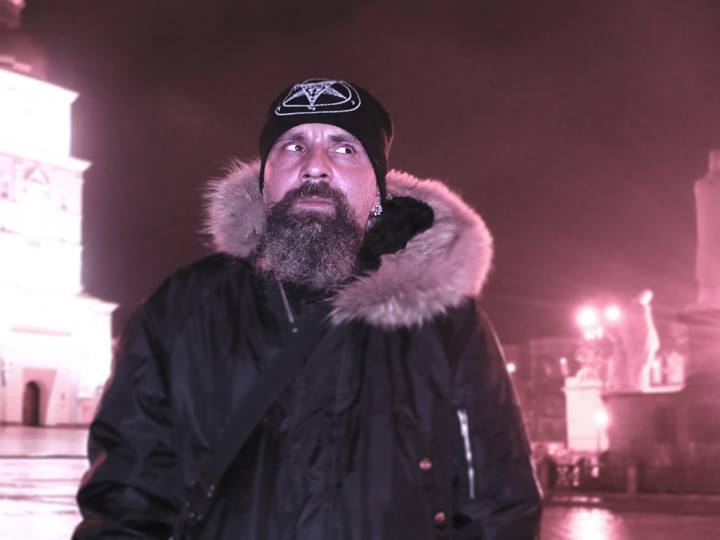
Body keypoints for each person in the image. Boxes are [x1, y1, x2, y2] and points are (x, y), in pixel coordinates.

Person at [74, 78, 542, 539]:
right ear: (265, 181)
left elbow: (499, 507)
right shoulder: (183, 309)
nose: (315, 167)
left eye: (345, 148)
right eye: (293, 147)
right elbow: (126, 501)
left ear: (379, 192)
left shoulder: (441, 321)